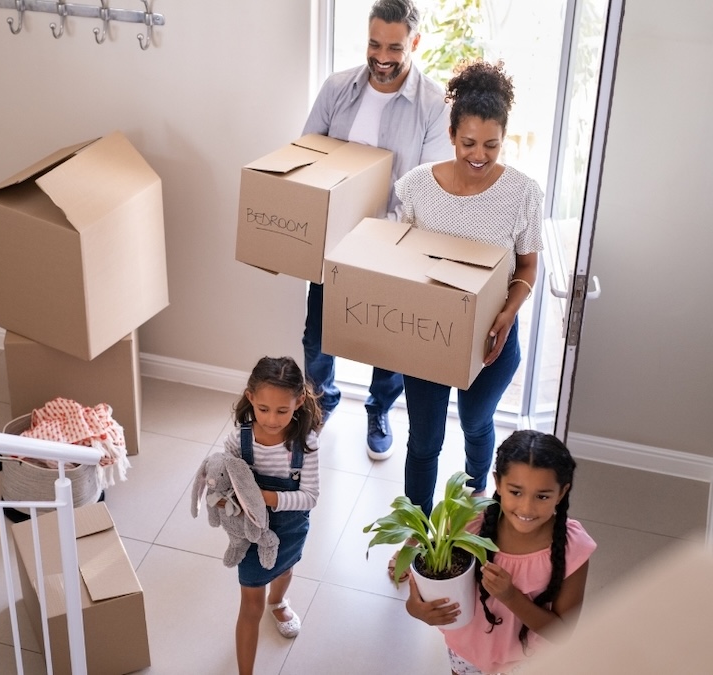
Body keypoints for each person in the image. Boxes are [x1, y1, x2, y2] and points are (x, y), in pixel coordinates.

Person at [302, 0, 453, 461]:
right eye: (374, 44)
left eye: (394, 47)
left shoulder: (433, 105)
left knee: (388, 343)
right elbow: (306, 155)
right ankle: (320, 404)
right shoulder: (337, 88)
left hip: (393, 244)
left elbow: (428, 188)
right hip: (332, 241)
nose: (382, 57)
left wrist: (378, 234)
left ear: (415, 42)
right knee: (317, 336)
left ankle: (379, 409)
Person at [394, 59, 544, 516]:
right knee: (424, 440)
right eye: (469, 143)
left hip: (492, 337)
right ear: (451, 134)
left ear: (504, 139)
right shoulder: (416, 187)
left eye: (491, 145)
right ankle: (416, 530)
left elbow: (528, 266)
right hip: (428, 335)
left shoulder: (522, 193)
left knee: (477, 422)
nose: (479, 155)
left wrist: (508, 313)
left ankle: (476, 498)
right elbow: (399, 258)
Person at [406, 430, 596, 674]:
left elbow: (563, 633)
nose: (526, 507)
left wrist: (511, 597)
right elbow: (427, 585)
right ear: (497, 482)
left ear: (561, 492)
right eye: (516, 492)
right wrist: (416, 608)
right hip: (466, 650)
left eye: (542, 496)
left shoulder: (573, 549)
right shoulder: (468, 525)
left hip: (528, 661)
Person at [222, 356, 322, 675]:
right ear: (250, 398)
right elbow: (224, 481)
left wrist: (264, 497)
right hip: (251, 533)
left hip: (290, 528)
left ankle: (277, 602)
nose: (271, 419)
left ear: (299, 402)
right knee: (250, 606)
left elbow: (310, 497)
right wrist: (225, 501)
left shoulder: (305, 444)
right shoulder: (238, 441)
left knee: (285, 570)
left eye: (282, 410)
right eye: (263, 409)